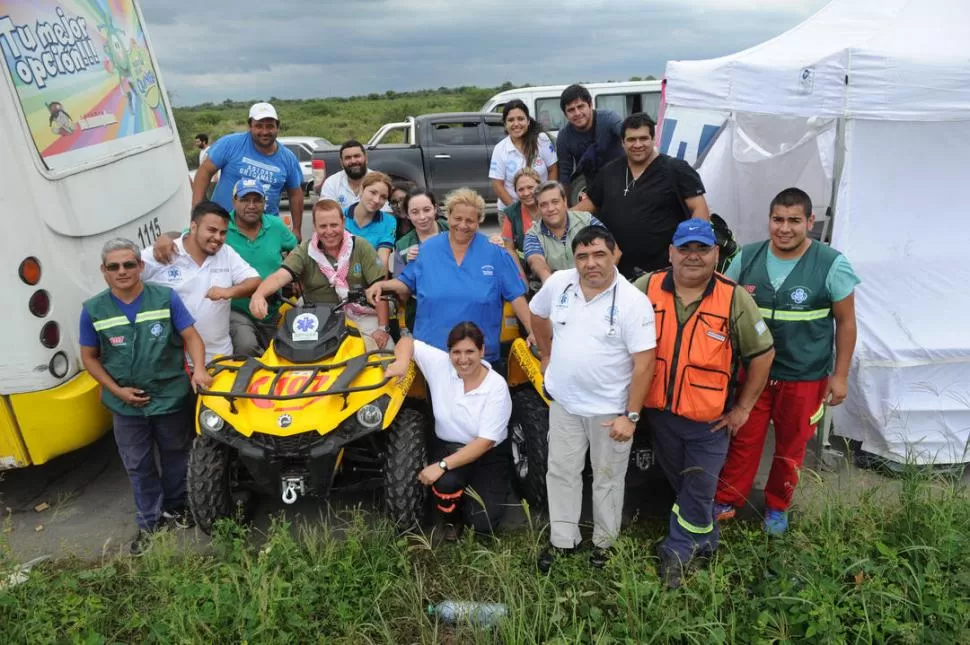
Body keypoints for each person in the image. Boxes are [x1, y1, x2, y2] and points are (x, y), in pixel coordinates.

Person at [634, 219, 775, 589]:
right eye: (685, 249)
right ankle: (706, 541)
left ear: (716, 253)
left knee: (698, 489)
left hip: (709, 423)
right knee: (685, 488)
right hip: (660, 415)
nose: (693, 257)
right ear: (671, 253)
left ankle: (677, 554)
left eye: (702, 249)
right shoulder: (645, 287)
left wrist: (743, 408)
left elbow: (762, 354)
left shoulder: (733, 297)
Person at [714, 188, 859, 535]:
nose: (785, 228)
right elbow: (721, 309)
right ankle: (728, 499)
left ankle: (778, 506)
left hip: (805, 375)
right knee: (743, 438)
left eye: (795, 220)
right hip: (753, 374)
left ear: (810, 222)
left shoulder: (831, 263)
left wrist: (840, 376)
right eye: (778, 219)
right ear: (769, 220)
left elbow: (847, 322)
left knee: (792, 446)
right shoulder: (745, 258)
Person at [530, 226, 657, 572]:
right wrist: (545, 354)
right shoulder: (559, 283)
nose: (591, 263)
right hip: (565, 404)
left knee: (607, 478)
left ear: (615, 254)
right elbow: (537, 314)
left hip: (609, 412)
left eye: (599, 254)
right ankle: (563, 541)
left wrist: (630, 417)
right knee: (561, 472)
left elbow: (645, 363)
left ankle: (604, 545)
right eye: (583, 256)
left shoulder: (633, 301)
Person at [79, 239, 212, 554]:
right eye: (114, 266)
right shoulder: (93, 310)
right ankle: (150, 523)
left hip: (169, 395)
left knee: (177, 454)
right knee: (137, 464)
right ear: (104, 272)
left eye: (128, 264)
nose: (122, 271)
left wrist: (200, 370)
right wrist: (116, 391)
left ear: (140, 266)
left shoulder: (165, 298)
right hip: (124, 404)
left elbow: (191, 337)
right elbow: (89, 358)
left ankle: (177, 507)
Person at [366, 188, 533, 368]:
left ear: (479, 221)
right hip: (433, 353)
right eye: (457, 219)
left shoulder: (495, 252)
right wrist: (382, 285)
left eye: (470, 220)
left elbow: (516, 296)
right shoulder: (428, 249)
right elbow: (406, 283)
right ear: (448, 216)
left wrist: (532, 331)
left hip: (479, 354)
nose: (462, 225)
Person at [384, 322, 512, 540]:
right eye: (456, 352)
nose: (463, 359)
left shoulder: (496, 386)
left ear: (482, 351)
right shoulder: (440, 364)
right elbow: (407, 342)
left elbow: (485, 442)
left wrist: (441, 465)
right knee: (446, 483)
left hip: (486, 454)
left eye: (470, 351)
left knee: (483, 525)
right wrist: (402, 362)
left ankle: (481, 496)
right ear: (449, 352)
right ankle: (452, 519)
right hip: (449, 447)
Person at [152, 179, 298, 356]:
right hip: (236, 310)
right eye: (244, 200)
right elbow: (189, 235)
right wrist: (165, 238)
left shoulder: (276, 225)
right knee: (247, 346)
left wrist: (295, 277)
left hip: (272, 308)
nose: (251, 205)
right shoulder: (220, 226)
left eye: (257, 200)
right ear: (234, 201)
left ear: (264, 203)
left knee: (286, 352)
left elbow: (297, 250)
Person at [576, 113, 710, 279]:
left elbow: (700, 209)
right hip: (617, 270)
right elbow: (589, 204)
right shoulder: (609, 171)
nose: (638, 144)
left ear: (653, 139)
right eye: (631, 140)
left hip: (663, 271)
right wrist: (556, 216)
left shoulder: (676, 169)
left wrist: (689, 250)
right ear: (622, 142)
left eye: (643, 138)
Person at [250, 199, 394, 352]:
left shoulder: (361, 246)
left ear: (343, 222)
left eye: (334, 225)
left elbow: (380, 290)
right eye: (323, 226)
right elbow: (280, 276)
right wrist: (259, 294)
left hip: (361, 314)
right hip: (317, 318)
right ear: (315, 226)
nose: (329, 231)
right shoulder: (305, 250)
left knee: (386, 350)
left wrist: (382, 328)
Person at [141, 201, 262, 366]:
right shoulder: (163, 251)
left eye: (222, 232)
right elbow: (123, 276)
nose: (218, 238)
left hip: (219, 357)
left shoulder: (225, 253)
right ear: (193, 227)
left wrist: (229, 292)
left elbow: (254, 281)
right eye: (211, 230)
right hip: (173, 361)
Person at [192, 102, 305, 236]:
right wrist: (197, 212)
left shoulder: (288, 158)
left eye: (270, 126)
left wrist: (297, 229)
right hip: (223, 228)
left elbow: (295, 194)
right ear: (250, 126)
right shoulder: (231, 144)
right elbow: (204, 172)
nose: (264, 131)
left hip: (265, 233)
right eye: (258, 126)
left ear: (277, 127)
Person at [523, 181, 608, 285]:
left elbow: (612, 250)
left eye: (555, 202)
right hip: (556, 288)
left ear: (565, 201)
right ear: (538, 208)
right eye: (544, 205)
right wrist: (550, 282)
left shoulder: (587, 220)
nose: (551, 209)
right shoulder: (533, 235)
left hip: (595, 283)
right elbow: (536, 261)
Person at [555, 84, 625, 202]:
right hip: (594, 190)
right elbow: (564, 174)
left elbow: (629, 138)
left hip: (624, 183)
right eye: (571, 110)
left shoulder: (609, 119)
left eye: (580, 106)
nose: (577, 113)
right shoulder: (564, 137)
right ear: (565, 114)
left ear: (590, 105)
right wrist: (563, 203)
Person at [489, 100, 558, 217]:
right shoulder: (500, 149)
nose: (516, 124)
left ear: (528, 121)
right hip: (511, 210)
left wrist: (547, 199)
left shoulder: (542, 140)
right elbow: (497, 184)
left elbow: (553, 170)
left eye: (520, 119)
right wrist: (516, 211)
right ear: (505, 124)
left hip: (542, 208)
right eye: (511, 120)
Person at [318, 140, 392, 213]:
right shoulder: (331, 183)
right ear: (341, 162)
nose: (353, 161)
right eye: (348, 158)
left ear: (366, 158)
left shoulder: (379, 182)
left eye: (357, 156)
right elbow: (325, 214)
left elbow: (386, 214)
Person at [344, 172, 396, 273]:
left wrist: (380, 286)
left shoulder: (388, 222)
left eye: (383, 197)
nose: (377, 200)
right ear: (362, 189)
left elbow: (382, 260)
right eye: (373, 192)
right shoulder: (340, 215)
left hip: (370, 275)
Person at [496, 167, 541, 280]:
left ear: (539, 186)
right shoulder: (512, 213)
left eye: (530, 187)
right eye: (521, 189)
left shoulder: (549, 206)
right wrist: (522, 279)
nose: (526, 193)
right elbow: (509, 248)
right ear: (515, 192)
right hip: (526, 270)